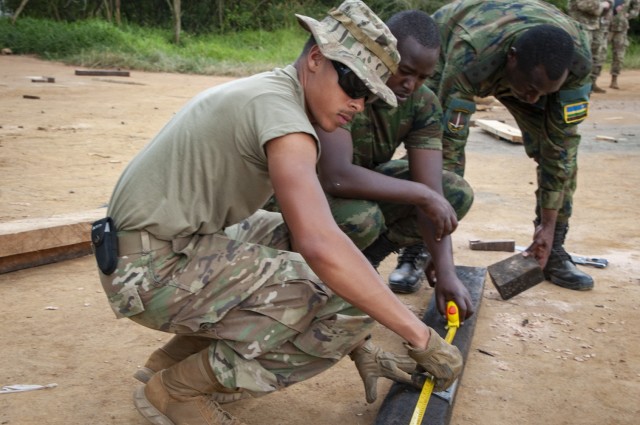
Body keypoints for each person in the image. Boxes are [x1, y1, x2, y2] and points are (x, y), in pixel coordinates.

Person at [91, 2, 463, 425]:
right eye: (353, 84)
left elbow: (319, 241)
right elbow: (320, 245)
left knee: (312, 256)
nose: (358, 104)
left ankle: (171, 361)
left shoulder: (273, 91)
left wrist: (361, 346)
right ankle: (177, 390)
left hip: (143, 247)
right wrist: (420, 337)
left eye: (368, 95)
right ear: (316, 59)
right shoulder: (286, 123)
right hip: (146, 270)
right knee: (337, 298)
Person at [395, 0, 595, 292]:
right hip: (458, 42)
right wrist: (441, 249)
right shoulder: (471, 55)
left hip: (523, 66)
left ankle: (553, 249)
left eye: (543, 93)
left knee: (564, 155)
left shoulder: (577, 62)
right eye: (531, 89)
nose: (533, 100)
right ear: (511, 59)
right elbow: (447, 149)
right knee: (427, 144)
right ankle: (415, 247)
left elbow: (560, 150)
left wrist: (549, 227)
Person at [313, 10, 475, 319]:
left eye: (424, 77)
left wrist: (446, 271)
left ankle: (367, 261)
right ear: (384, 52)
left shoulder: (423, 103)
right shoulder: (345, 83)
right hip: (302, 192)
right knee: (364, 218)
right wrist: (422, 195)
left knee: (453, 193)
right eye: (405, 71)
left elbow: (433, 189)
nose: (411, 85)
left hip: (355, 189)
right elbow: (335, 176)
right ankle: (308, 276)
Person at [567, 0, 613, 93]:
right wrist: (602, 5)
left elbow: (609, 4)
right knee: (582, 56)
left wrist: (607, 4)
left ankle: (591, 84)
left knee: (596, 57)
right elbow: (585, 5)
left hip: (596, 26)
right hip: (581, 27)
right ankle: (577, 85)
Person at [608, 0, 640, 89]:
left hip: (621, 28)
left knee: (619, 55)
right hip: (604, 27)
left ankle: (614, 79)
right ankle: (592, 81)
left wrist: (629, 15)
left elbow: (636, 7)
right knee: (598, 55)